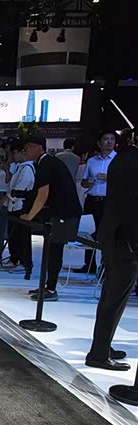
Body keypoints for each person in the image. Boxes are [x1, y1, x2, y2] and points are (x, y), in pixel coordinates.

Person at [85, 129, 138, 371]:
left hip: (114, 234)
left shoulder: (122, 158)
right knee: (115, 298)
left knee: (110, 295)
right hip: (126, 240)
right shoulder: (132, 161)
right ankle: (99, 353)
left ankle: (103, 345)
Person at [21, 134, 82, 302]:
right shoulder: (45, 162)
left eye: (28, 148)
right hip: (60, 212)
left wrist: (30, 216)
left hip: (64, 214)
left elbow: (43, 194)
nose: (25, 151)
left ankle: (51, 288)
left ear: (39, 148)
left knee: (55, 250)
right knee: (52, 250)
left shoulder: (46, 163)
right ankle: (47, 286)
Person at [77, 131, 118, 274]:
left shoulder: (118, 160)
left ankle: (105, 267)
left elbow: (124, 183)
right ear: (99, 143)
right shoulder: (92, 161)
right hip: (92, 200)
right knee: (89, 232)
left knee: (108, 234)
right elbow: (83, 183)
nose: (109, 142)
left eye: (112, 139)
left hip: (109, 201)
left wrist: (109, 179)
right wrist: (88, 182)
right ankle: (89, 265)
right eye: (106, 139)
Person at [0, 141, 35, 277]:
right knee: (14, 234)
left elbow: (22, 186)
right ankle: (14, 258)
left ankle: (24, 262)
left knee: (22, 236)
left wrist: (9, 197)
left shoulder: (27, 168)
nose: (13, 156)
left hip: (21, 206)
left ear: (22, 152)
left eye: (15, 153)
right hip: (14, 205)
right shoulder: (21, 167)